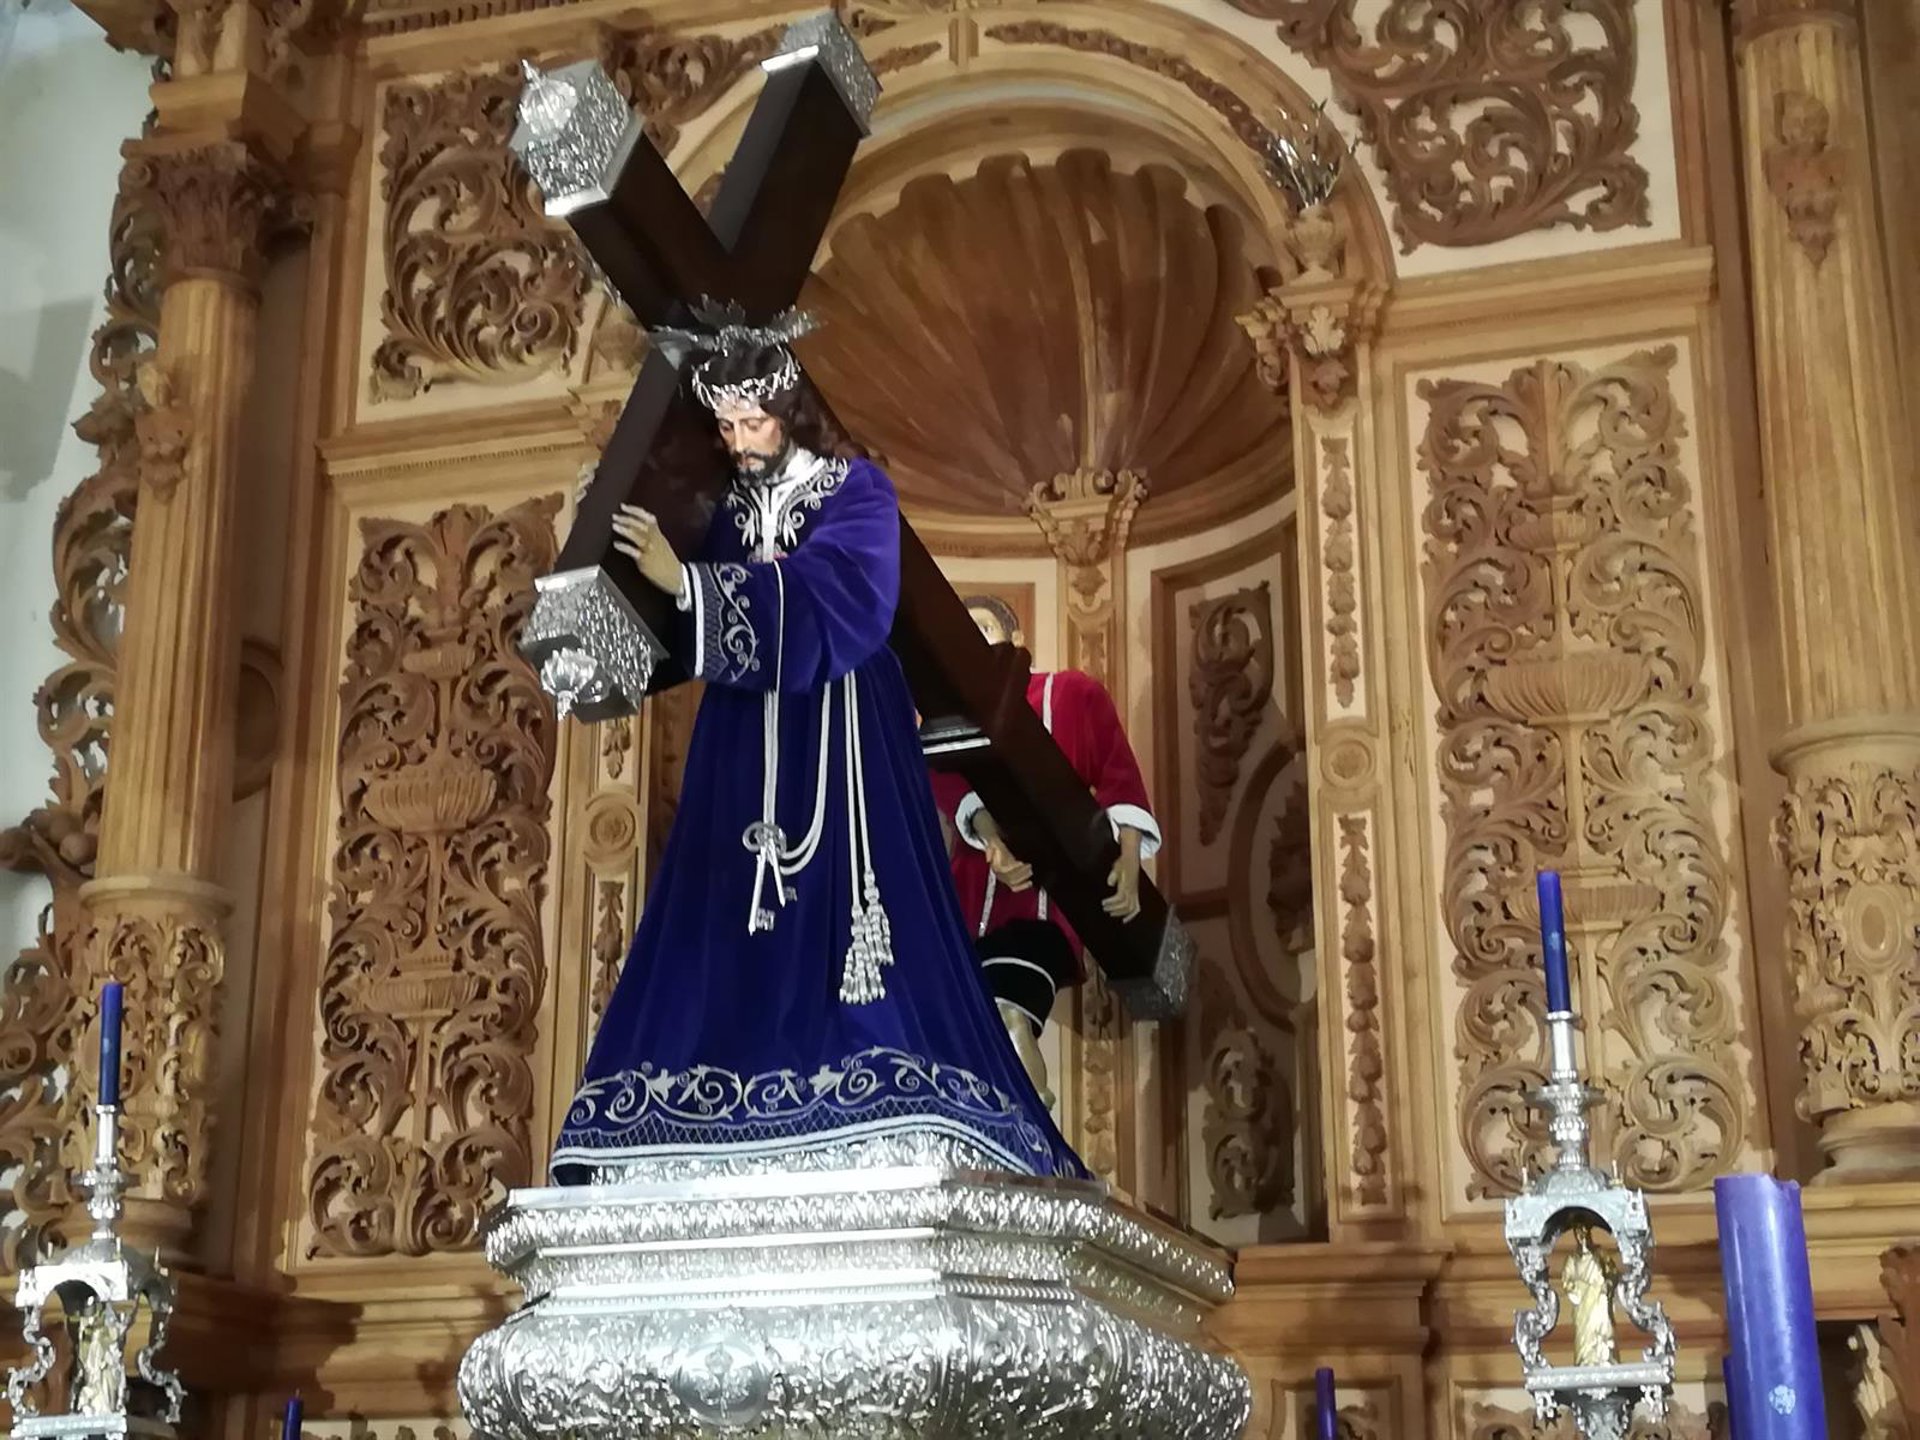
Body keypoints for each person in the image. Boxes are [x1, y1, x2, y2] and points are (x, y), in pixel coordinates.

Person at [550, 306, 1084, 1185]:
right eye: (725, 426)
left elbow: (845, 596)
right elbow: (664, 620)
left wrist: (691, 583)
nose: (738, 442)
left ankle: (871, 1083)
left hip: (841, 727)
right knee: (723, 904)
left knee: (855, 906)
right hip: (740, 736)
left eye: (752, 422)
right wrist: (599, 529)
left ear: (788, 413)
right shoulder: (723, 510)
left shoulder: (854, 491)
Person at [929, 596, 1161, 1111]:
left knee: (1006, 1010)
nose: (970, 638)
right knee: (969, 1034)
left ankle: (1029, 1116)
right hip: (970, 909)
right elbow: (949, 785)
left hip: (1046, 911)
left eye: (983, 627)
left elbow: (1119, 774)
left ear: (1014, 639)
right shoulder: (947, 718)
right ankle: (1014, 1114)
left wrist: (1128, 861)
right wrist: (992, 840)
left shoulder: (1073, 693)